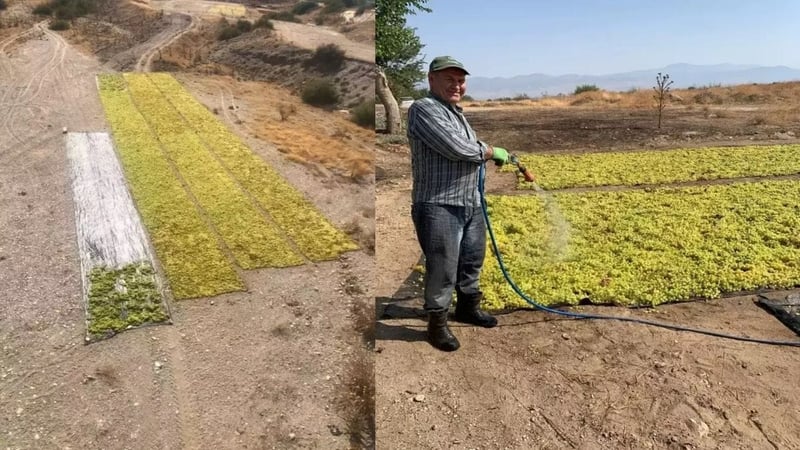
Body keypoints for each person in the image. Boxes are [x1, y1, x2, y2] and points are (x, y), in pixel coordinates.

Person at [406, 56, 511, 352]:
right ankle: (437, 324)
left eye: (461, 80)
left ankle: (467, 307)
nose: (457, 85)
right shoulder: (423, 109)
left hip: (470, 202)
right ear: (431, 80)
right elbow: (458, 148)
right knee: (442, 267)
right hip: (439, 204)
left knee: (471, 260)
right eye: (449, 79)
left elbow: (468, 148)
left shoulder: (455, 113)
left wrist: (488, 154)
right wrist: (491, 151)